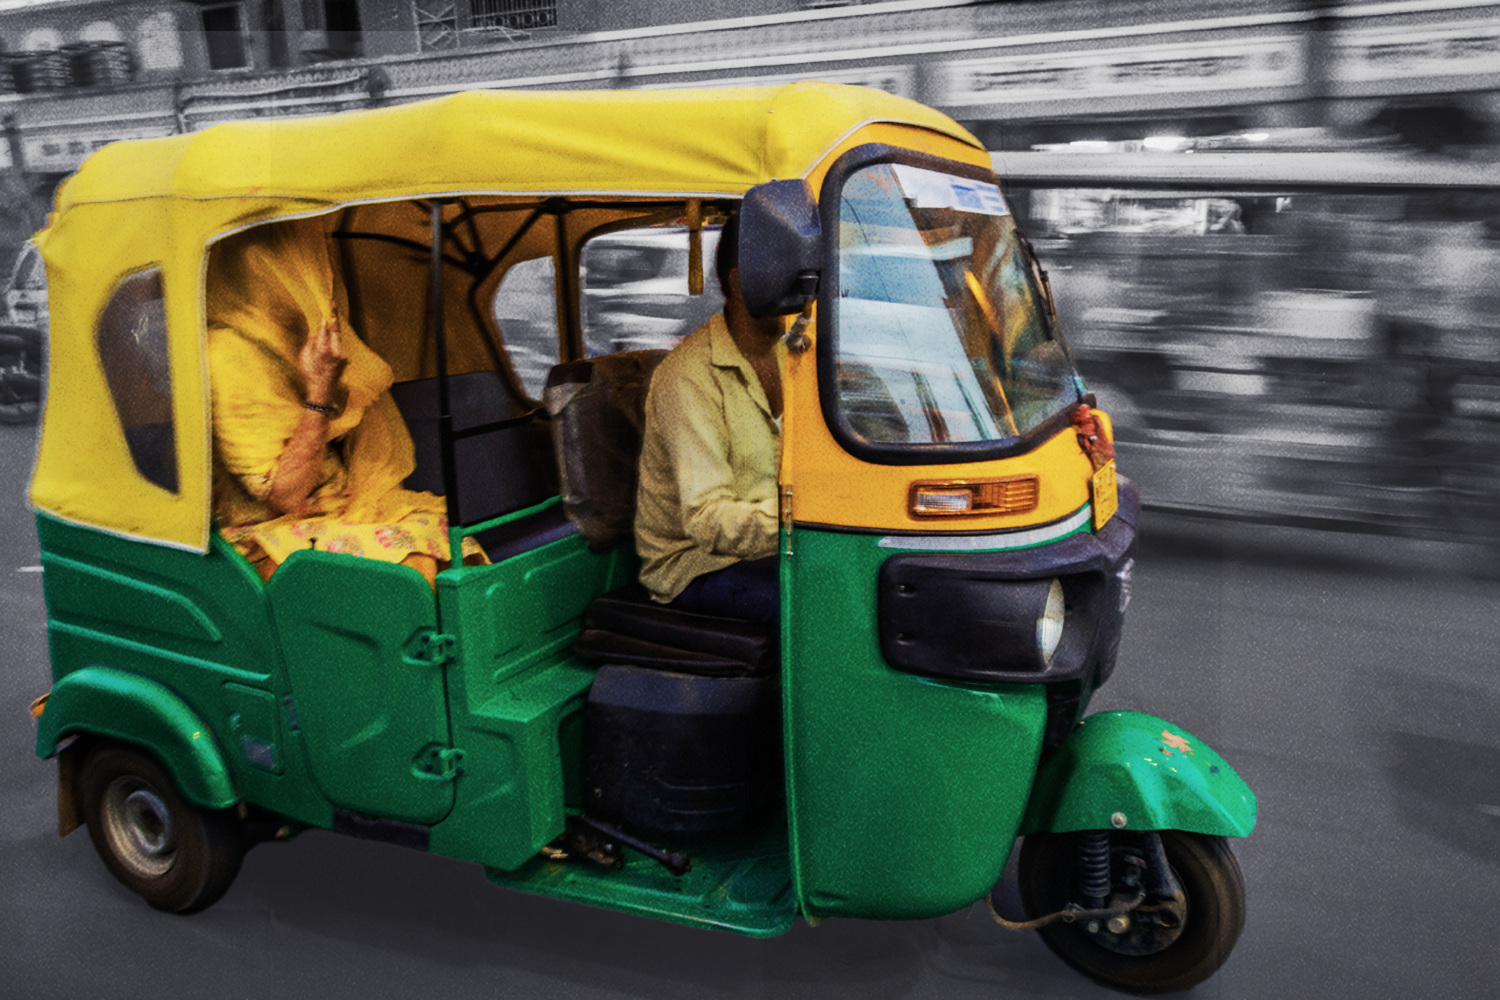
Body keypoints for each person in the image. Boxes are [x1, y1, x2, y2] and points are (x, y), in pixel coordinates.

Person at [207, 217, 484, 587]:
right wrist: (320, 389)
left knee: (452, 544)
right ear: (266, 269)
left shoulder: (298, 333)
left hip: (334, 506)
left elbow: (350, 418)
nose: (322, 278)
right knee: (407, 569)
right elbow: (285, 497)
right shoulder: (225, 355)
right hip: (266, 533)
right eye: (307, 263)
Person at [633, 214, 783, 623]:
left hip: (778, 547)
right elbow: (706, 520)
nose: (804, 296)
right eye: (787, 281)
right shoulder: (687, 377)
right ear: (739, 282)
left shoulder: (793, 356)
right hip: (698, 566)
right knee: (831, 612)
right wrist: (803, 518)